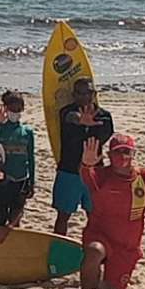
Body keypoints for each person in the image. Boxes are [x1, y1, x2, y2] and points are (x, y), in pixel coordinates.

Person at [78, 135, 145, 289]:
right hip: (100, 235)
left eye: (126, 152)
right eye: (117, 152)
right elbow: (87, 178)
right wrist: (86, 165)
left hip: (127, 247)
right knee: (94, 251)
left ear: (133, 154)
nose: (122, 157)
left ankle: (102, 275)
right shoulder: (102, 175)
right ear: (109, 155)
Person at [53, 78, 114, 236]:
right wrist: (81, 120)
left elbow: (105, 135)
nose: (84, 96)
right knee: (63, 216)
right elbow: (69, 117)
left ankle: (93, 250)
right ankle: (59, 252)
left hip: (94, 173)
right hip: (69, 171)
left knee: (94, 215)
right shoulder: (66, 112)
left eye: (88, 92)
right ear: (73, 95)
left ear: (94, 94)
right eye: (79, 93)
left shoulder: (105, 117)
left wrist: (89, 125)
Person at [0, 90, 35, 223]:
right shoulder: (1, 128)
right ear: (6, 108)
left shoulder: (27, 132)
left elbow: (31, 158)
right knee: (1, 211)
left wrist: (31, 182)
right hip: (4, 178)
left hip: (21, 178)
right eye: (12, 108)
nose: (15, 111)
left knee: (17, 212)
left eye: (18, 108)